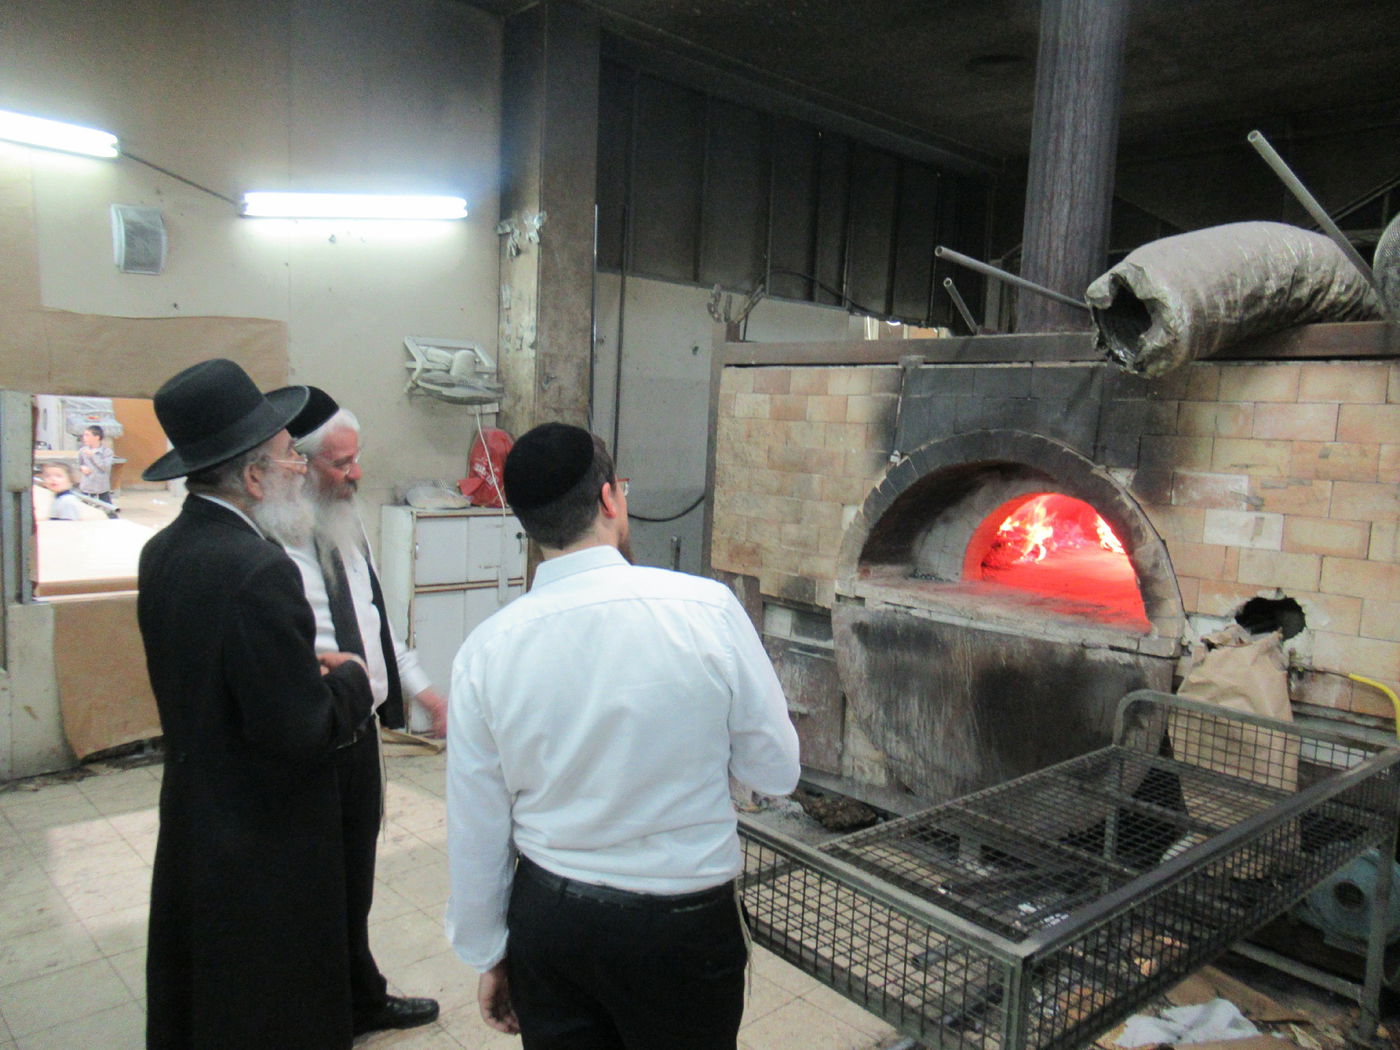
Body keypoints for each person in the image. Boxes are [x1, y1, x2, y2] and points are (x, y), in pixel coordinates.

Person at [445, 422, 801, 1050]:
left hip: (553, 922)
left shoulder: (486, 651)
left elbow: (476, 827)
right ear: (610, 499)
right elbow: (777, 771)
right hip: (683, 924)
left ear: (526, 524)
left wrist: (489, 953)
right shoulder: (706, 610)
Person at [136, 358, 435, 1050]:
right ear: (251, 476)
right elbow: (298, 728)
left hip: (201, 796)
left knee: (212, 967)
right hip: (262, 816)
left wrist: (304, 668)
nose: (297, 471)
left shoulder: (167, 551)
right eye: (286, 460)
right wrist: (351, 679)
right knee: (272, 977)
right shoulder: (258, 566)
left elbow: (220, 674)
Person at [77, 423, 115, 508]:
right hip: (86, 486)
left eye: (87, 435)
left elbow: (105, 467)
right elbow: (77, 464)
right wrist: (81, 467)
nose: (84, 438)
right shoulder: (82, 451)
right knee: (83, 508)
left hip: (101, 487)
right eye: (84, 435)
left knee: (108, 509)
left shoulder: (107, 452)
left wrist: (93, 456)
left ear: (97, 437)